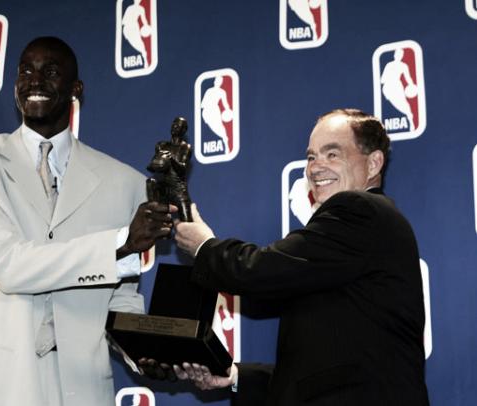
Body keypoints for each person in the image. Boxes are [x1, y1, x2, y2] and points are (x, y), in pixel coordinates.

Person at [0, 36, 173, 406]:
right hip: (1, 385)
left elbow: (120, 298)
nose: (35, 81)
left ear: (76, 89)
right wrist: (120, 243)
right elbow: (8, 265)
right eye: (26, 71)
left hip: (84, 388)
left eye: (51, 72)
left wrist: (142, 352)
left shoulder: (125, 183)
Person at [174, 109, 429, 405]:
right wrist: (235, 377)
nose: (316, 167)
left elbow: (261, 270)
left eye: (332, 154)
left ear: (373, 163)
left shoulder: (360, 210)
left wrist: (204, 246)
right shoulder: (348, 243)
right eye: (311, 157)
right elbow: (320, 371)